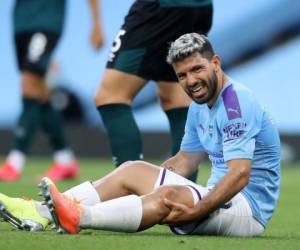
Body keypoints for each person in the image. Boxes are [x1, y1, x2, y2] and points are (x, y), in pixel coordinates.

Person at [0, 33, 280, 237]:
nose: (191, 81)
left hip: (247, 210)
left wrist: (198, 209)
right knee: (132, 169)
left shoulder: (236, 103)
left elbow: (240, 174)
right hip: (215, 197)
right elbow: (186, 161)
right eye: (182, 76)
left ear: (216, 63)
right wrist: (144, 180)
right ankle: (41, 213)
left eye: (197, 69)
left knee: (168, 195)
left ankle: (78, 216)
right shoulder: (200, 105)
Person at [95, 0, 213, 182]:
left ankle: (132, 189)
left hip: (158, 9)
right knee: (175, 98)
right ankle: (183, 195)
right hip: (200, 7)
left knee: (111, 97)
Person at [0, 0, 104, 181]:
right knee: (40, 93)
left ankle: (15, 162)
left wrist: (96, 24)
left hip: (46, 20)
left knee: (28, 84)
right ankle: (65, 160)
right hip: (21, 22)